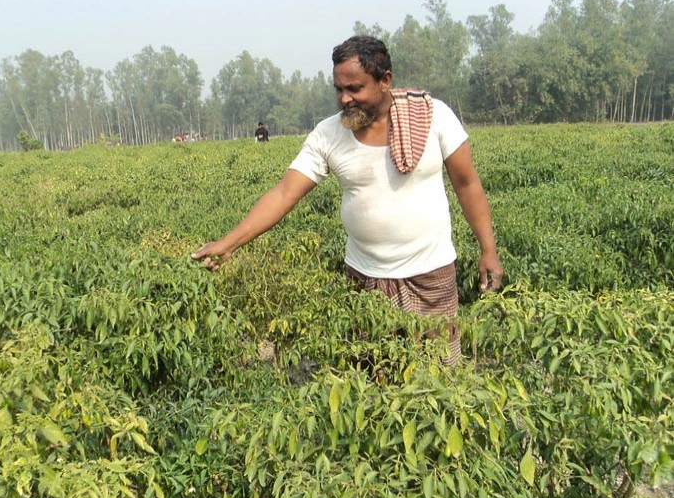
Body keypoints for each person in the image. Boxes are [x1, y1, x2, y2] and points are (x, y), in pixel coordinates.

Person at [191, 36, 503, 363]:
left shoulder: (433, 117)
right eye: (339, 89)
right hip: (365, 280)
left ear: (385, 81)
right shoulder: (328, 134)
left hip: (431, 274)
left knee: (441, 375)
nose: (345, 99)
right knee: (371, 378)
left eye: (355, 89)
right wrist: (229, 243)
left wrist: (488, 250)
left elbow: (467, 186)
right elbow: (284, 194)